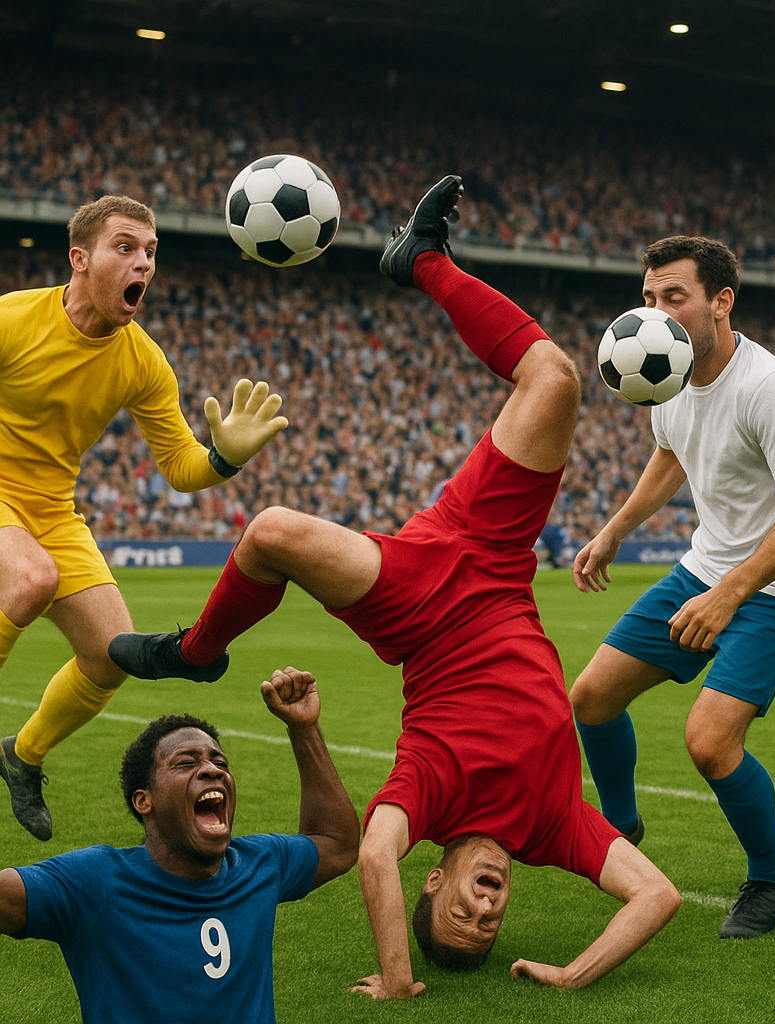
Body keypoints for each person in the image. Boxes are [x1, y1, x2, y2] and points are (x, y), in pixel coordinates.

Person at [108, 175, 681, 998]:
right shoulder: (556, 828)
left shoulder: (426, 799)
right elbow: (656, 894)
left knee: (268, 530)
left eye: (460, 917)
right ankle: (423, 260)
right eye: (490, 928)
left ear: (434, 883)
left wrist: (399, 977)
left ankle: (197, 651)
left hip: (421, 606)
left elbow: (373, 853)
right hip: (499, 561)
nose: (485, 916)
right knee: (554, 377)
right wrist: (571, 974)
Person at [0, 195, 288, 842]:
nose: (144, 263)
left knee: (108, 659)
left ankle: (20, 753)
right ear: (80, 258)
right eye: (126, 247)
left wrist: (225, 457)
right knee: (29, 581)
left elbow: (183, 468)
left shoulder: (143, 361)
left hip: (52, 510)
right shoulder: (13, 320)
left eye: (151, 252)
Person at [569, 235, 775, 939]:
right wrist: (616, 528)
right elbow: (669, 454)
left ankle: (770, 875)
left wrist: (731, 594)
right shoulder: (665, 374)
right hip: (706, 565)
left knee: (710, 742)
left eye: (673, 296)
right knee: (591, 698)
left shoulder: (767, 386)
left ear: (721, 302)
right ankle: (621, 826)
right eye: (649, 297)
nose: (655, 310)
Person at [0, 665, 359, 1024]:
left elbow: (337, 843)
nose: (212, 769)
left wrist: (304, 729)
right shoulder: (95, 882)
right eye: (186, 763)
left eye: (219, 762)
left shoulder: (259, 864)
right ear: (144, 801)